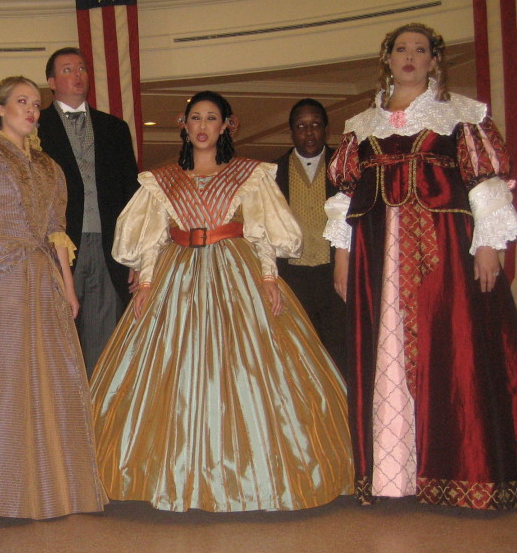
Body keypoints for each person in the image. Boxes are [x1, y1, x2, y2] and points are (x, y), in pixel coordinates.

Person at [324, 22, 517, 509]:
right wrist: (342, 256)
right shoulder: (362, 126)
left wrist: (488, 244)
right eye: (401, 49)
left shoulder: (461, 115)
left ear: (434, 60)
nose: (410, 56)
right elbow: (344, 198)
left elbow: (485, 183)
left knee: (448, 347)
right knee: (384, 347)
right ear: (386, 59)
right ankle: (392, 475)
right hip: (377, 252)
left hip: (443, 250)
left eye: (420, 50)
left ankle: (458, 471)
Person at [91, 91, 352, 513]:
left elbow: (264, 229)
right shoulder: (161, 180)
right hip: (176, 275)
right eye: (196, 117)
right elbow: (152, 237)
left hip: (236, 272)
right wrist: (146, 283)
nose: (202, 125)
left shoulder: (248, 175)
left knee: (249, 368)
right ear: (183, 124)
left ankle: (251, 473)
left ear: (226, 125)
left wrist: (268, 276)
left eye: (212, 118)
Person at [0, 76, 107, 519]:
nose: (31, 110)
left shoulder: (50, 167)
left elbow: (56, 232)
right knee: (4, 376)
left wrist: (68, 284)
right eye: (21, 102)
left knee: (53, 379)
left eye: (36, 104)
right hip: (2, 275)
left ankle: (55, 488)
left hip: (43, 279)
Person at [37, 48, 139, 374]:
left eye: (82, 68)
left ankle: (99, 419)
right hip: (57, 248)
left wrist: (135, 255)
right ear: (51, 81)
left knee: (105, 340)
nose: (78, 74)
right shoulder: (36, 128)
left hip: (109, 249)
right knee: (58, 336)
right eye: (68, 69)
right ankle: (66, 417)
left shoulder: (115, 128)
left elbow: (131, 197)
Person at [274, 99, 347, 372]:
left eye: (315, 125)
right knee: (299, 349)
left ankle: (343, 409)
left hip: (335, 272)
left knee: (338, 347)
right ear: (291, 131)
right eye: (301, 126)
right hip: (293, 276)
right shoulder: (273, 173)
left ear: (326, 130)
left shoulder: (345, 166)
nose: (309, 132)